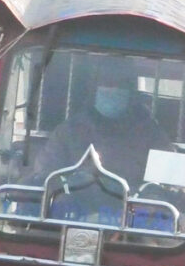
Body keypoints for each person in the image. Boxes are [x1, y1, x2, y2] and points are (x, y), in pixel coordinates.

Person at [27, 61, 176, 190]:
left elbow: (170, 185)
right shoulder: (69, 131)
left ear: (131, 91)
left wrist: (166, 191)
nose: (113, 89)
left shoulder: (152, 135)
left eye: (120, 84)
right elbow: (46, 176)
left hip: (131, 212)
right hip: (75, 209)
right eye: (106, 83)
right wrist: (70, 182)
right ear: (93, 88)